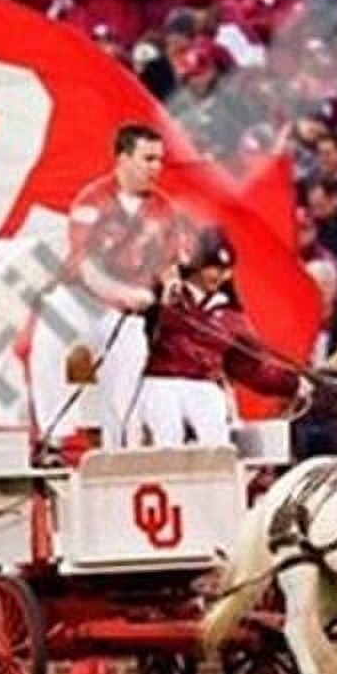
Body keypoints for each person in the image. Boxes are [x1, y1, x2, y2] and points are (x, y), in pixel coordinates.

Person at [29, 124, 186, 454]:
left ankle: (122, 449)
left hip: (126, 312)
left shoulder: (163, 208)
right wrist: (122, 294)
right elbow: (87, 267)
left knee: (129, 372)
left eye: (160, 160)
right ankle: (56, 436)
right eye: (148, 159)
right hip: (81, 299)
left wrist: (171, 282)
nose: (156, 167)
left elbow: (168, 260)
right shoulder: (92, 200)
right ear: (123, 158)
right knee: (50, 338)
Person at [138, 227, 298, 447]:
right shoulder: (165, 295)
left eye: (226, 270)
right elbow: (142, 329)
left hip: (204, 382)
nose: (220, 275)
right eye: (214, 267)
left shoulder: (230, 315)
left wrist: (291, 382)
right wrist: (163, 292)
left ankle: (217, 473)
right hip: (159, 378)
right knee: (168, 427)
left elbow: (251, 366)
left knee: (214, 417)